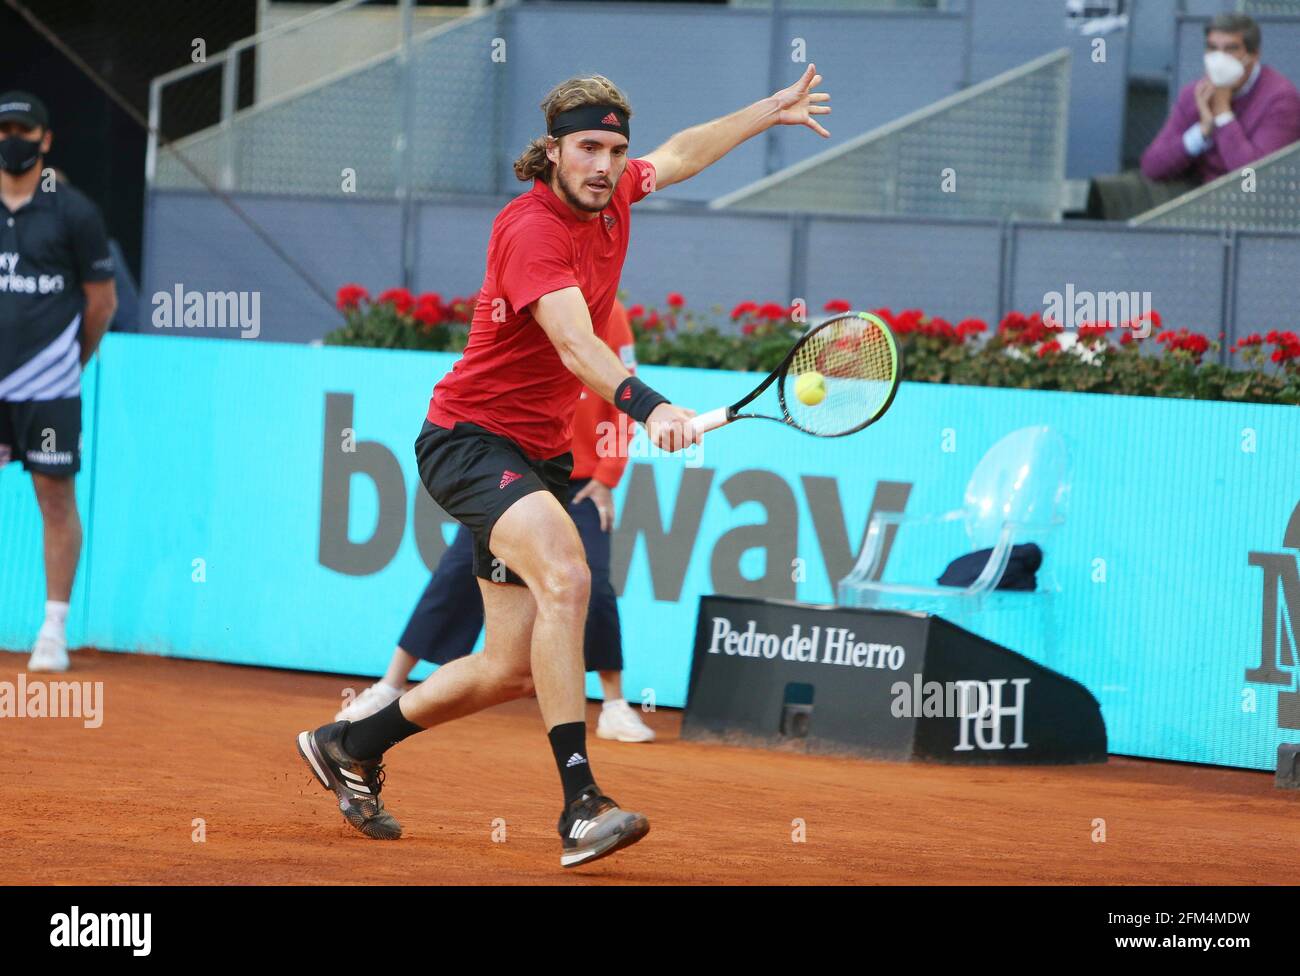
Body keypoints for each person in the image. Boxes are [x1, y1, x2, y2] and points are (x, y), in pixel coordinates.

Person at [298, 67, 831, 867]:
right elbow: (579, 346)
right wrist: (654, 409)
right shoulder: (530, 228)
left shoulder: (616, 194)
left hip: (537, 453)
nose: (605, 164)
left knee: (508, 667)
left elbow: (681, 154)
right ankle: (581, 803)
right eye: (588, 146)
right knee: (569, 577)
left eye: (615, 149)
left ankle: (348, 743)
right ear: (551, 151)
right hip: (469, 440)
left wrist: (768, 110)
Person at [336, 299, 655, 744]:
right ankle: (390, 685)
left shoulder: (611, 311)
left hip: (576, 482)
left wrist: (607, 476)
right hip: (511, 478)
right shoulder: (525, 295)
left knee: (593, 584)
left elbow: (626, 391)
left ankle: (615, 707)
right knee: (453, 576)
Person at [0, 92, 117, 672]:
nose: (12, 138)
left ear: (45, 138)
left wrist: (70, 362)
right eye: (4, 129)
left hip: (49, 385)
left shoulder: (75, 212)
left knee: (54, 498)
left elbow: (102, 302)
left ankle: (52, 630)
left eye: (23, 129)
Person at [1141, 13, 1300, 187]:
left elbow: (1254, 181)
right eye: (1212, 48)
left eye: (1230, 49)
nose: (1219, 58)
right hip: (1200, 201)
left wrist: (1223, 114)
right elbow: (1151, 168)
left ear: (1254, 55)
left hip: (1255, 208)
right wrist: (1202, 132)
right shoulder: (1197, 94)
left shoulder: (1281, 100)